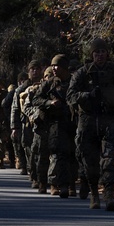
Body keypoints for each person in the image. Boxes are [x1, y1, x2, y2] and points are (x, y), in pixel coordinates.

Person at [67, 38, 114, 211]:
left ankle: (109, 194)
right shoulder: (82, 73)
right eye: (96, 52)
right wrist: (87, 96)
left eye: (102, 51)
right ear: (92, 54)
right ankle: (94, 193)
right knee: (90, 162)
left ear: (107, 53)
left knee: (109, 160)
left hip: (111, 121)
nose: (99, 55)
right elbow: (70, 96)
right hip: (88, 121)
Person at [25, 55, 78, 196]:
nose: (54, 68)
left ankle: (72, 184)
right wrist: (49, 103)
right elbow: (36, 99)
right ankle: (54, 184)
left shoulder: (75, 81)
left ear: (64, 67)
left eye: (57, 66)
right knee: (55, 154)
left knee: (73, 154)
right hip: (54, 123)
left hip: (73, 122)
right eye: (53, 66)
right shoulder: (49, 84)